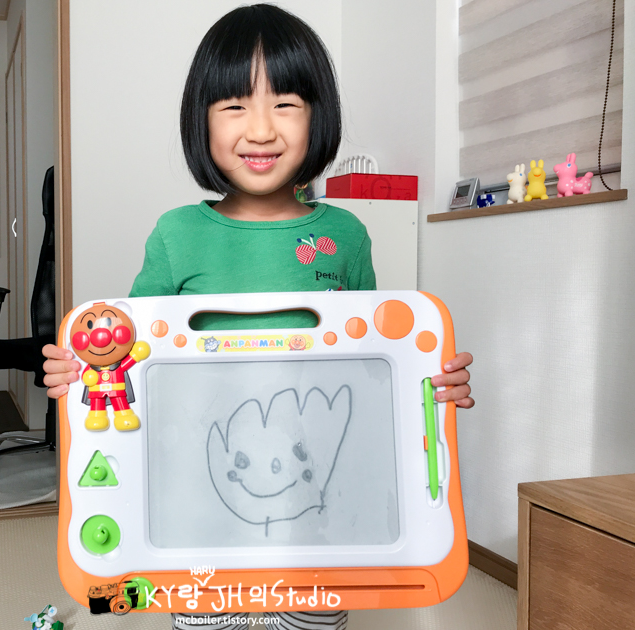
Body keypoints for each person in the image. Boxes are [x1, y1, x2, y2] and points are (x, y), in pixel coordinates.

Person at [43, 5, 474, 630]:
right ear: (202, 120)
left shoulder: (345, 236)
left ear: (317, 116)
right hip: (200, 495)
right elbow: (126, 357)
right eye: (235, 106)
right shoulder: (177, 236)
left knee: (310, 622)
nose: (262, 129)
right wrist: (78, 370)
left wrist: (432, 385)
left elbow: (376, 375)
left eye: (286, 104)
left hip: (312, 502)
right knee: (206, 620)